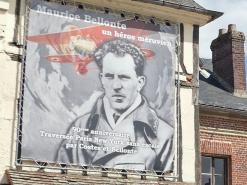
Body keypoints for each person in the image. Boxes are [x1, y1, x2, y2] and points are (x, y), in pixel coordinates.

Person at [57, 38, 174, 172]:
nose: (116, 86)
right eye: (109, 76)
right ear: (102, 79)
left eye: (124, 77)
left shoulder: (163, 134)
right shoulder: (79, 127)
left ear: (140, 82)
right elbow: (61, 178)